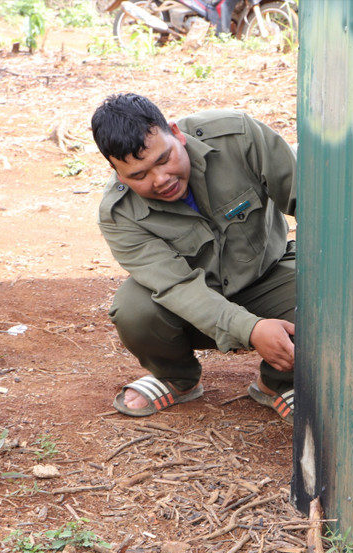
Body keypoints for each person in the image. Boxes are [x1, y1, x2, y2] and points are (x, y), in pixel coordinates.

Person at [90, 93, 297, 423]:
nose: (161, 180)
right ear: (117, 173)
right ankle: (176, 378)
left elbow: (315, 203)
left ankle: (279, 382)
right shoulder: (118, 215)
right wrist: (250, 328)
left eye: (164, 159)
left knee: (324, 290)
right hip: (194, 309)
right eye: (139, 176)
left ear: (176, 133)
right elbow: (177, 287)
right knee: (134, 309)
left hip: (270, 277)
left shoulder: (239, 136)